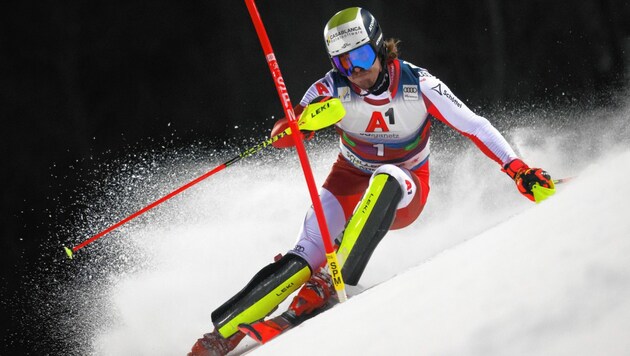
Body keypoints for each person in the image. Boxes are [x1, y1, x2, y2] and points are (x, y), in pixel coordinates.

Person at [188, 7, 555, 355]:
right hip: (348, 177)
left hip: (405, 185)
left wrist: (518, 169)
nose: (355, 72)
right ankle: (223, 335)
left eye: (361, 58)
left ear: (380, 48)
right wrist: (297, 126)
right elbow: (284, 134)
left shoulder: (418, 82)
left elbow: (473, 125)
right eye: (343, 64)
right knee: (305, 256)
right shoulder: (328, 88)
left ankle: (328, 284)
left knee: (387, 176)